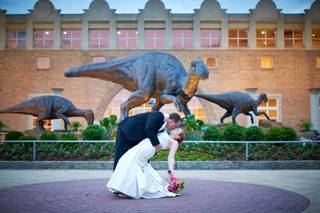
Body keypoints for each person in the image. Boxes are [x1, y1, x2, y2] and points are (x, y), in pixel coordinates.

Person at [107, 128, 184, 199]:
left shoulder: (174, 142)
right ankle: (124, 187)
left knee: (134, 164)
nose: (175, 129)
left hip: (148, 148)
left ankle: (129, 190)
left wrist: (171, 171)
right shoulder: (164, 131)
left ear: (178, 137)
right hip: (143, 144)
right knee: (127, 161)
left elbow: (171, 157)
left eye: (178, 130)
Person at [113, 111, 181, 170]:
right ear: (172, 121)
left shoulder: (163, 129)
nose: (175, 128)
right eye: (176, 125)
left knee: (137, 158)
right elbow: (149, 128)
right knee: (120, 155)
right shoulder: (158, 115)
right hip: (126, 130)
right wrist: (156, 144)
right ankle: (115, 179)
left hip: (136, 139)